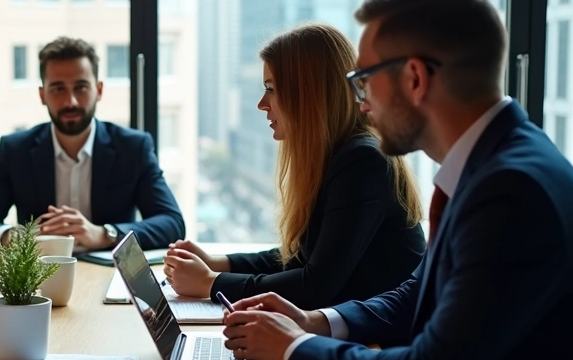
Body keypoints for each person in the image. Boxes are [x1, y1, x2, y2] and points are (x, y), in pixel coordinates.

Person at [221, 0, 573, 360]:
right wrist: (318, 322)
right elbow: (417, 290)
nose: (361, 101)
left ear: (414, 78)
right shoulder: (490, 165)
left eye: (364, 81)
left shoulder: (514, 190)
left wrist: (297, 350)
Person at [163, 24, 425, 309]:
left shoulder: (363, 162)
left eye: (271, 90)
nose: (262, 104)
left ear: (308, 94)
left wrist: (210, 283)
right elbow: (300, 258)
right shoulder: (338, 155)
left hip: (384, 344)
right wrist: (216, 263)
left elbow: (314, 286)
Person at [0, 36, 185, 252]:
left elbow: (172, 223)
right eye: (58, 89)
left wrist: (105, 234)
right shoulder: (16, 150)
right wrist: (14, 236)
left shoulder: (133, 148)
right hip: (38, 281)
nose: (70, 101)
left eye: (81, 87)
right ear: (42, 94)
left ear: (99, 90)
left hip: (110, 280)